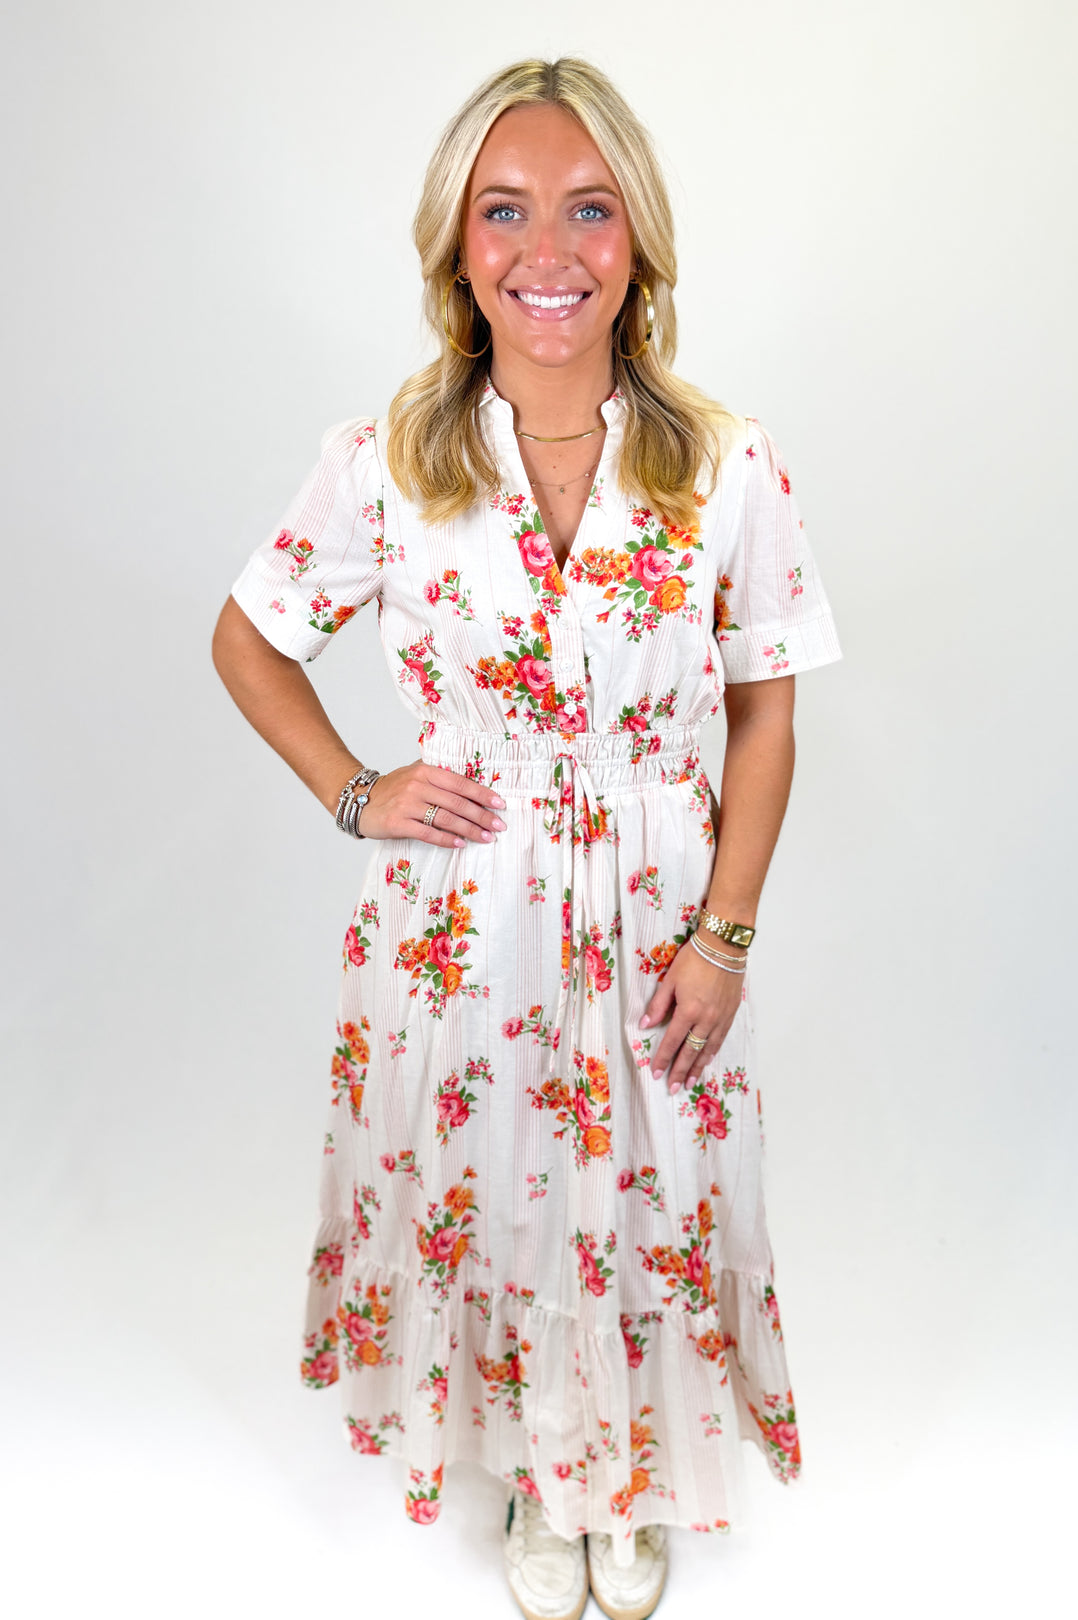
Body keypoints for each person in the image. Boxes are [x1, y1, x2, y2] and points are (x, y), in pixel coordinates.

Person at [212, 55, 842, 1620]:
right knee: (481, 1180)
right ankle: (541, 1481)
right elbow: (249, 636)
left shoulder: (726, 464)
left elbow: (763, 713)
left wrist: (729, 930)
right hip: (458, 912)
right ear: (458, 245)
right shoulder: (388, 462)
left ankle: (626, 1478)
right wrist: (356, 790)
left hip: (656, 902)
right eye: (505, 211)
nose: (545, 250)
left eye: (587, 208)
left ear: (639, 241)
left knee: (656, 1183)